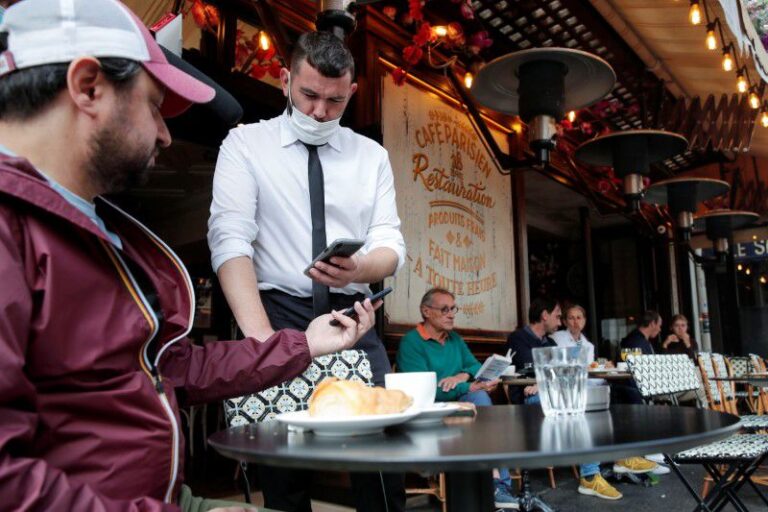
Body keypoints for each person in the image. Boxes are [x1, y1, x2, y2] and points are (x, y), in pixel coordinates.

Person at [0, 1, 379, 511]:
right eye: (154, 105)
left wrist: (304, 344)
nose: (164, 133)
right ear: (88, 88)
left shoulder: (91, 226)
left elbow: (171, 366)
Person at [208, 31, 406, 512]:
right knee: (283, 470)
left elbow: (391, 245)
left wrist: (358, 267)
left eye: (335, 101)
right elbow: (230, 239)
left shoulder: (372, 156)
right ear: (285, 81)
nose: (319, 112)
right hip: (276, 316)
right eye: (309, 95)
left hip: (353, 317)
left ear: (351, 93)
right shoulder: (245, 144)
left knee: (381, 463)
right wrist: (263, 343)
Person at [396, 288, 516, 509]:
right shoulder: (411, 342)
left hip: (461, 406)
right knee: (477, 399)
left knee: (479, 398)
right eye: (445, 309)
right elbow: (426, 391)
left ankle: (498, 485)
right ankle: (497, 485)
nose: (451, 314)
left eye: (453, 309)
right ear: (426, 311)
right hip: (430, 413)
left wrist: (460, 377)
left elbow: (475, 366)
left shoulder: (454, 339)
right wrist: (467, 385)